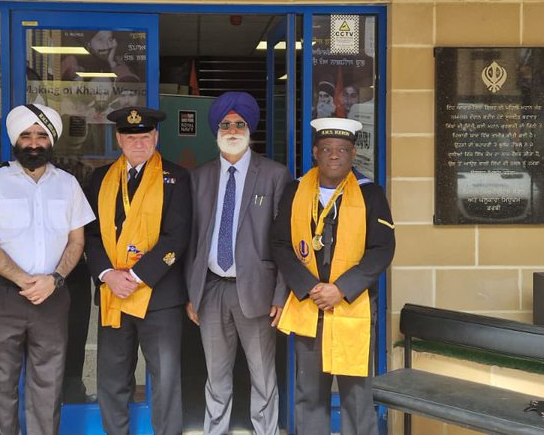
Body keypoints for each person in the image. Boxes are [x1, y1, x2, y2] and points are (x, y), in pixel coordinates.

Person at [0, 104, 95, 435]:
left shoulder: (67, 184)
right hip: (5, 295)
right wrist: (25, 280)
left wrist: (52, 280)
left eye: (41, 135)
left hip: (53, 296)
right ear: (16, 140)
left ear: (51, 141)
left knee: (48, 386)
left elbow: (77, 242)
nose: (34, 142)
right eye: (26, 135)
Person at [272, 117, 396, 435]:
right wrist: (309, 287)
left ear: (353, 154)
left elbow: (382, 249)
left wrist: (341, 289)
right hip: (309, 307)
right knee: (310, 394)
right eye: (326, 148)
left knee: (356, 396)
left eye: (342, 149)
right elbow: (280, 244)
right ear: (315, 152)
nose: (334, 155)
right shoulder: (296, 190)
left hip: (351, 308)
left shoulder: (371, 194)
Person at [185, 92, 292, 435]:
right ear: (216, 130)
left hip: (257, 292)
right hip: (212, 288)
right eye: (226, 124)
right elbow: (193, 239)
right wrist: (193, 292)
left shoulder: (275, 175)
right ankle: (215, 430)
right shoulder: (200, 176)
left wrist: (280, 294)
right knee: (216, 375)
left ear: (250, 129)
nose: (232, 129)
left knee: (263, 375)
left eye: (239, 123)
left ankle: (267, 431)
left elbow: (285, 240)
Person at [83, 106, 192, 435]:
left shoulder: (176, 177)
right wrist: (108, 275)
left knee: (165, 382)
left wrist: (136, 277)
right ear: (119, 138)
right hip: (113, 294)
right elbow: (89, 234)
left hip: (158, 297)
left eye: (145, 136)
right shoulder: (100, 179)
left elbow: (178, 235)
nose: (139, 143)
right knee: (112, 380)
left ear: (156, 137)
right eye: (131, 137)